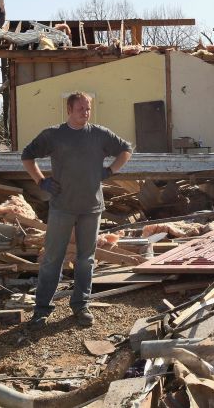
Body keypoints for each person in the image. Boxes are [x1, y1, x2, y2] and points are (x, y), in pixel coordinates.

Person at [21, 92, 132, 328]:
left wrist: (110, 170)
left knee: (85, 260)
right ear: (69, 110)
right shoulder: (53, 135)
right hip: (62, 207)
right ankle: (41, 310)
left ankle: (81, 305)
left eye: (88, 108)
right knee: (52, 258)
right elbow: (27, 156)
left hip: (91, 208)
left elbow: (126, 149)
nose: (86, 112)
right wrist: (41, 181)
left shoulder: (100, 135)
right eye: (81, 108)